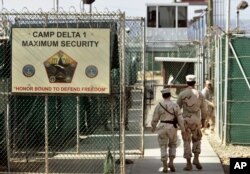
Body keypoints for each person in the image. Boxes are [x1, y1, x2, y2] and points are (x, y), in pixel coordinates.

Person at [151, 88, 186, 173]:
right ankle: (171, 162)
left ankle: (164, 165)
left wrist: (153, 127)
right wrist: (183, 129)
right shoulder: (175, 105)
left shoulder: (159, 105)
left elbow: (155, 118)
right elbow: (180, 118)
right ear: (170, 95)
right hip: (172, 127)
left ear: (163, 96)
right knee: (173, 145)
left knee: (163, 146)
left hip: (162, 127)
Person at [176, 74, 207, 171]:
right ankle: (196, 159)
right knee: (197, 139)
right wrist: (203, 119)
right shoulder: (200, 94)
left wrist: (177, 120)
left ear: (186, 82)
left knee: (186, 140)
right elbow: (204, 109)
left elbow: (177, 108)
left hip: (185, 119)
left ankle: (188, 163)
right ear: (195, 82)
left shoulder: (182, 94)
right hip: (196, 119)